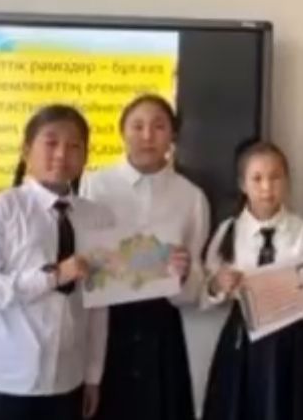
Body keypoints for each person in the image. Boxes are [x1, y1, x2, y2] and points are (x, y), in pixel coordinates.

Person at [0, 104, 112, 420]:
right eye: (51, 143)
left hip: (68, 381)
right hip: (5, 382)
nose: (62, 154)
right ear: (27, 150)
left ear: (85, 156)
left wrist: (93, 377)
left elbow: (98, 306)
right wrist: (52, 276)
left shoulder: (97, 217)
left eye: (74, 146)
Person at [80, 94, 209, 420]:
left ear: (173, 135)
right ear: (122, 132)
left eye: (159, 126)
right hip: (105, 324)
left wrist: (184, 274)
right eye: (137, 126)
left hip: (161, 326)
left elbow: (196, 283)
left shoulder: (191, 197)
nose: (148, 135)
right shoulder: (95, 186)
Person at [201, 140, 303, 420]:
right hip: (242, 336)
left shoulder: (300, 230)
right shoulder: (229, 230)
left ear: (286, 181)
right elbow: (207, 288)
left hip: (288, 337)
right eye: (257, 178)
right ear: (242, 184)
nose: (267, 187)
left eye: (275, 177)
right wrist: (218, 284)